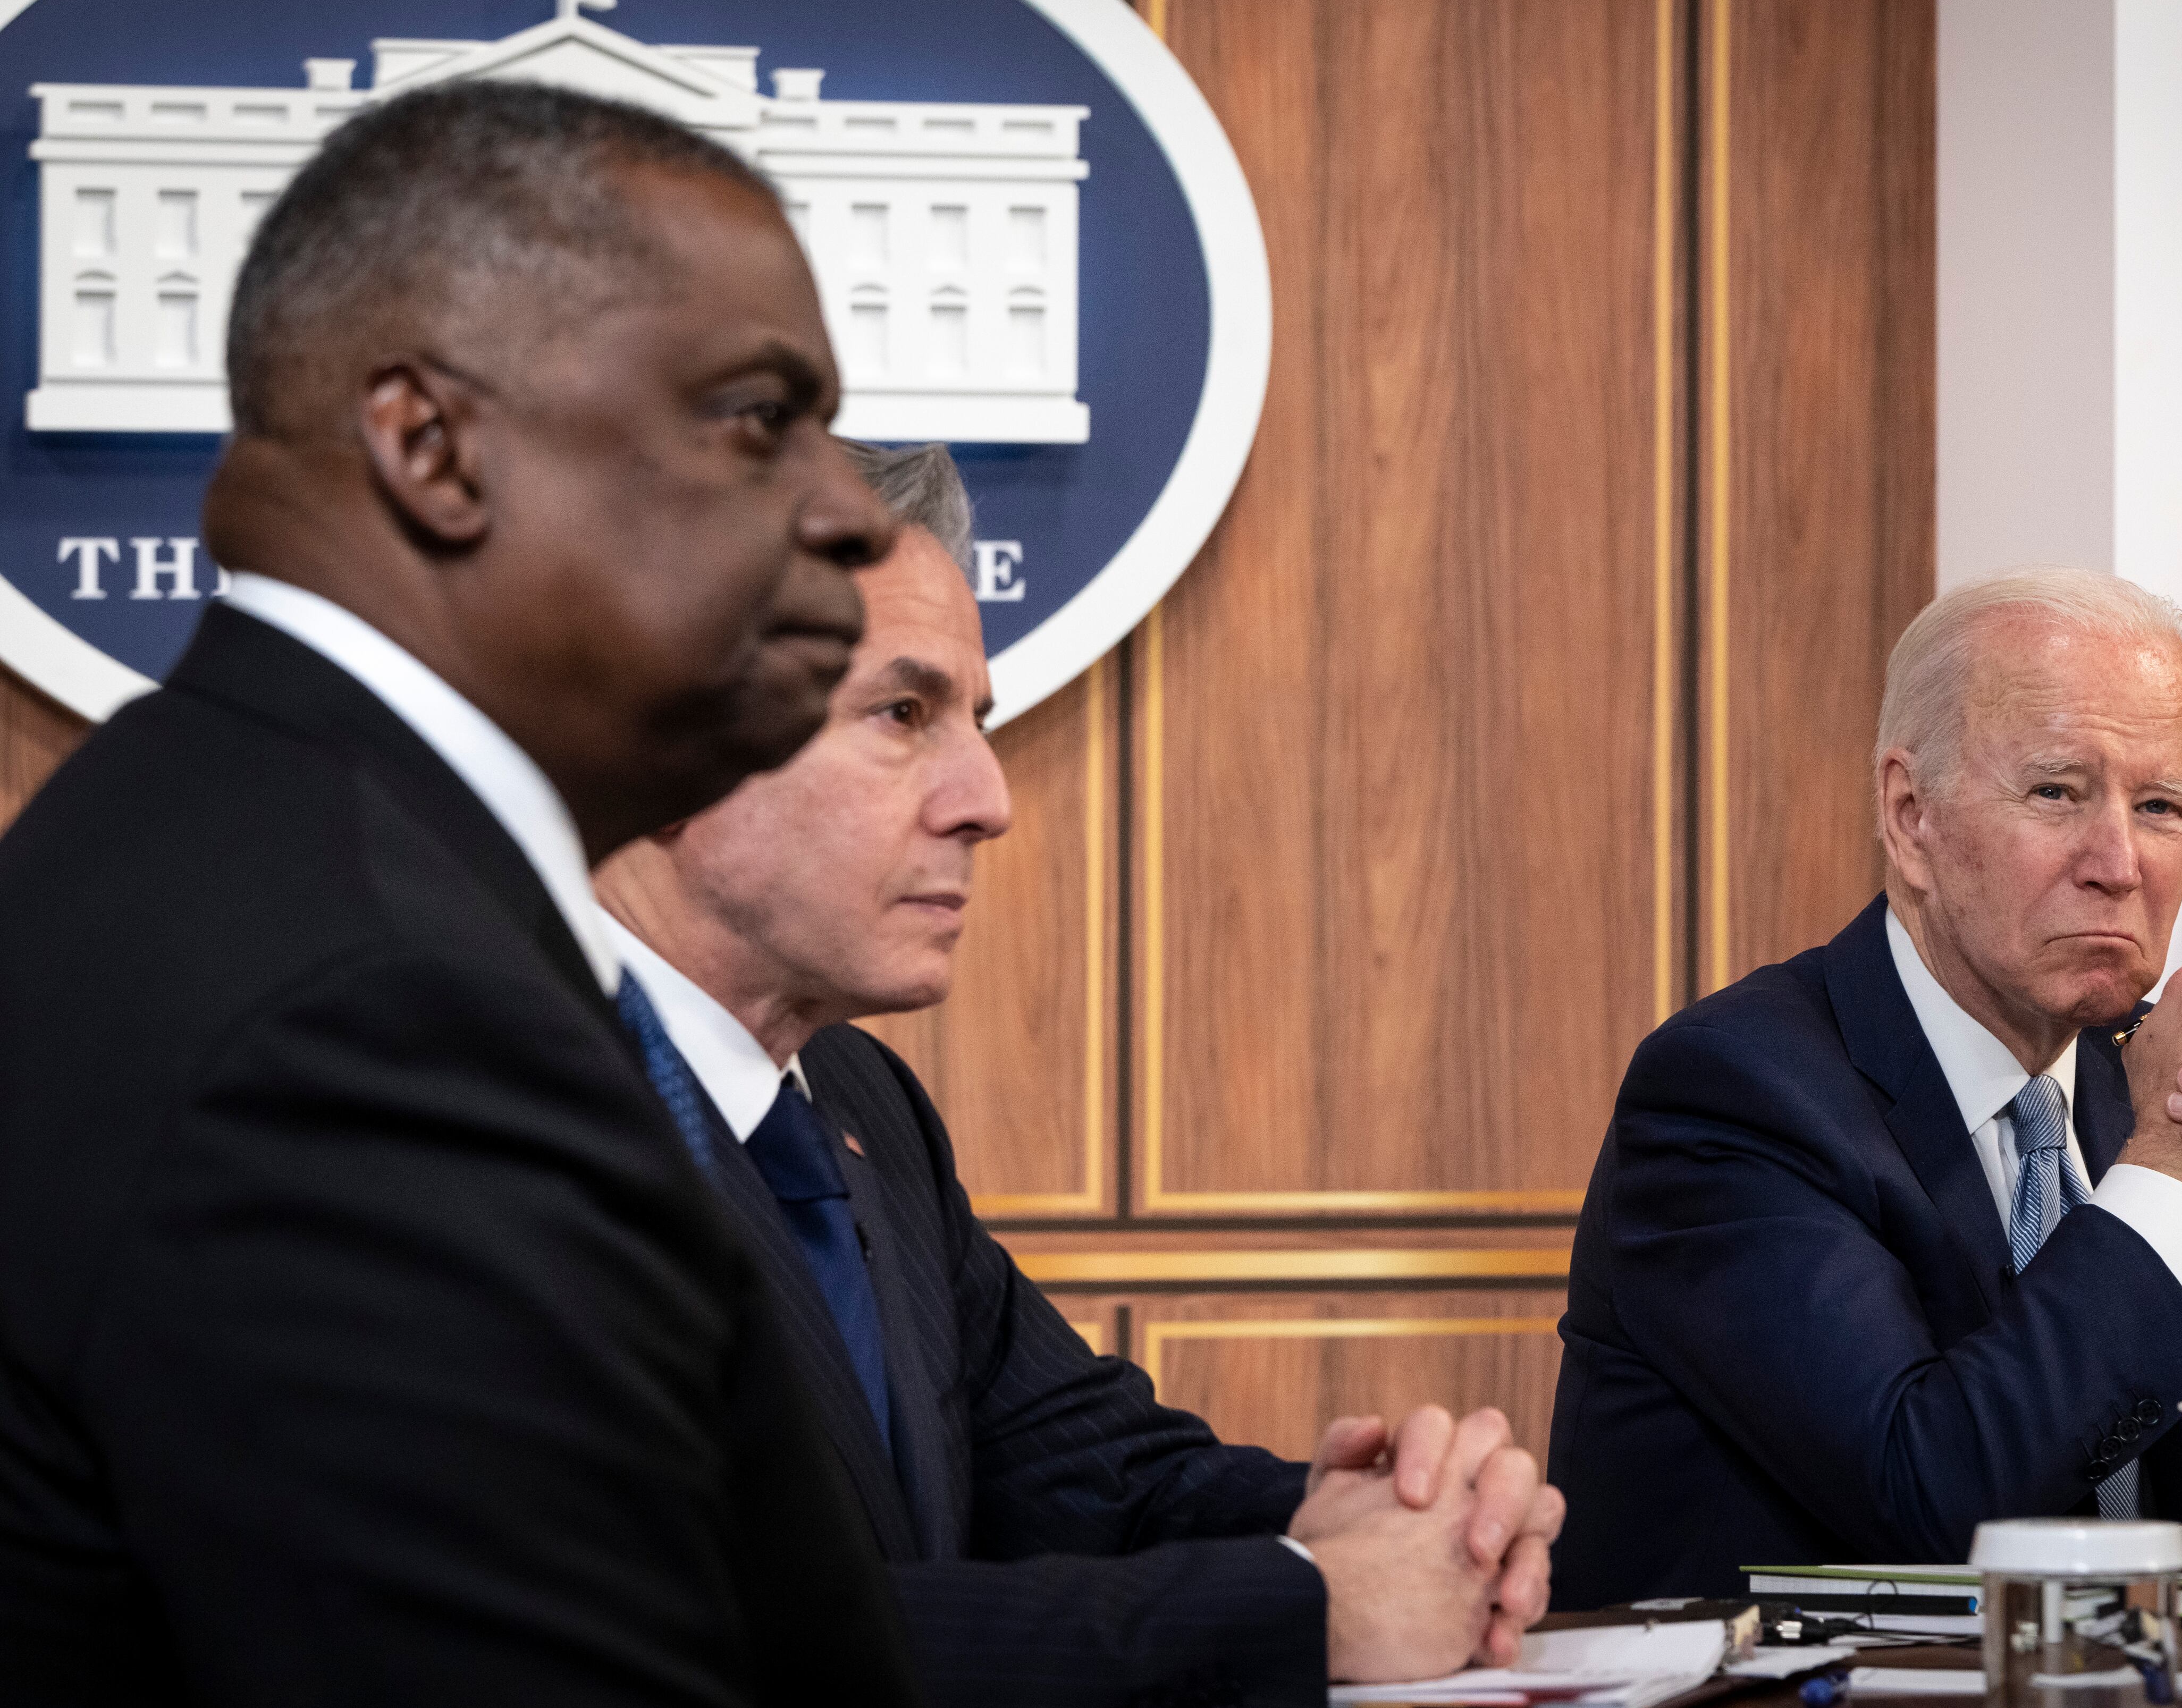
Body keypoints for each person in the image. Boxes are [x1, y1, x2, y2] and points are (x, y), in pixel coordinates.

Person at [0, 82, 920, 1702]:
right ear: (433, 446)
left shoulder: (264, 853)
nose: (846, 511)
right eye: (756, 418)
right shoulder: (367, 1011)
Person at [594, 444, 1566, 1707]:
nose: (988, 799)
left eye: (977, 723)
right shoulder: (491, 1111)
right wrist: (1305, 1601)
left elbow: (1080, 1468)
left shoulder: (859, 1105)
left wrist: (1387, 1520)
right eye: (905, 713)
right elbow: (700, 1632)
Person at [1546, 568, 2182, 1606]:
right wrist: (2172, 1163)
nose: (2117, 861)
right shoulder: (1736, 1090)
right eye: (2056, 791)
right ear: (1909, 815)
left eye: (2160, 805)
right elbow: (1936, 1499)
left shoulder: (2133, 1083)